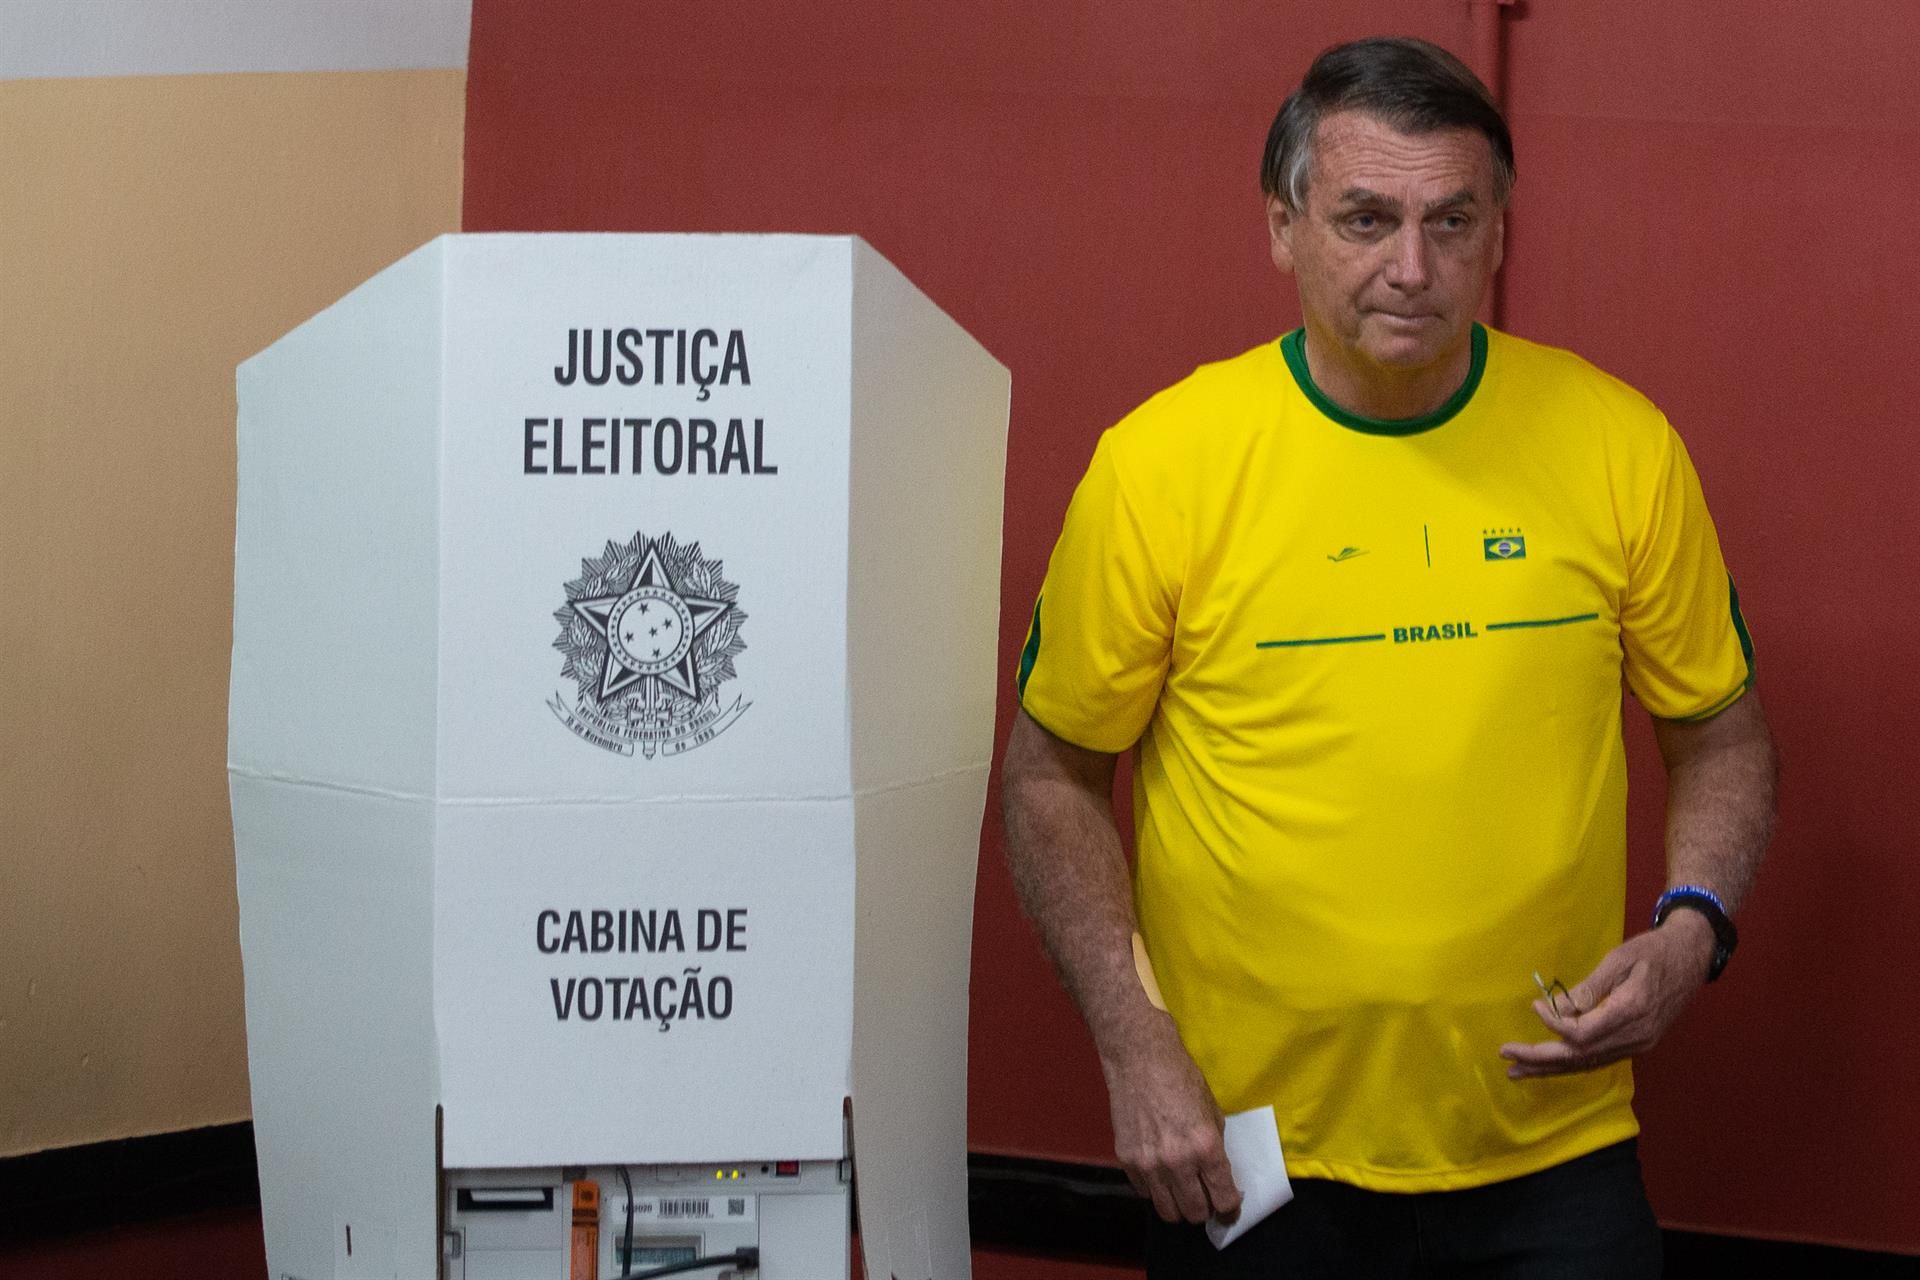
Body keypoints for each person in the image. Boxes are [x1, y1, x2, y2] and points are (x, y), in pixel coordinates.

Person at [1000, 35, 1778, 1278]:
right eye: (1366, 217)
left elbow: (1722, 736)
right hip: (1249, 1156)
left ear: (1499, 235)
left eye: (1451, 220)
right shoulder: (1162, 466)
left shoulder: (1620, 444)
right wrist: (1133, 1043)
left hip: (1552, 1145)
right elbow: (1049, 779)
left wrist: (1695, 926)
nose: (1411, 268)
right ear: (1283, 226)